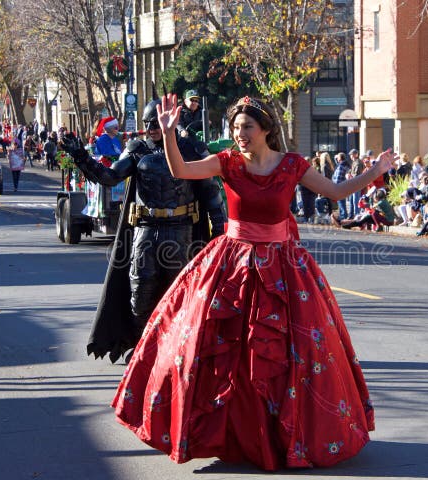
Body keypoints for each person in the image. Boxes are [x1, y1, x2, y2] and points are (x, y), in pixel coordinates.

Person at [111, 94, 392, 470]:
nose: (239, 134)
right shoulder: (226, 162)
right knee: (221, 350)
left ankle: (283, 435)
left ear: (266, 129)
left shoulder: (292, 165)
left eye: (246, 127)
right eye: (235, 128)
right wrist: (168, 135)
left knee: (291, 357)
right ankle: (230, 434)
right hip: (233, 264)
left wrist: (373, 173)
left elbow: (337, 192)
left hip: (283, 268)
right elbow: (181, 171)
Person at [65, 98, 227, 364]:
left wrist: (218, 236)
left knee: (179, 291)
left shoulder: (190, 149)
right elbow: (110, 177)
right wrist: (81, 156)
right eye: (148, 123)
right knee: (140, 292)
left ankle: (175, 344)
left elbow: (211, 194)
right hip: (145, 231)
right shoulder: (138, 149)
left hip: (181, 232)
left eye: (156, 122)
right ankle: (145, 344)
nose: (152, 127)